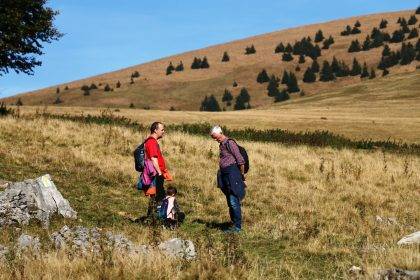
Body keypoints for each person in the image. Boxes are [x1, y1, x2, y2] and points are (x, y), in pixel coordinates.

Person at [210, 125, 246, 233]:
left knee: (233, 200)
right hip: (225, 174)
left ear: (221, 132)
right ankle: (233, 224)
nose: (215, 139)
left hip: (232, 174)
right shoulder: (222, 144)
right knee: (230, 201)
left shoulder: (230, 143)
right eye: (213, 138)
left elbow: (240, 160)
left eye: (216, 137)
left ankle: (237, 227)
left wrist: (242, 176)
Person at [143, 122, 172, 218]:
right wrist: (159, 173)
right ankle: (155, 218)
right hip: (156, 174)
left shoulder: (152, 141)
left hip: (156, 173)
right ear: (155, 130)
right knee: (158, 197)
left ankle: (151, 218)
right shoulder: (151, 142)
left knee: (155, 196)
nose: (164, 132)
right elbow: (153, 159)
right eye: (162, 130)